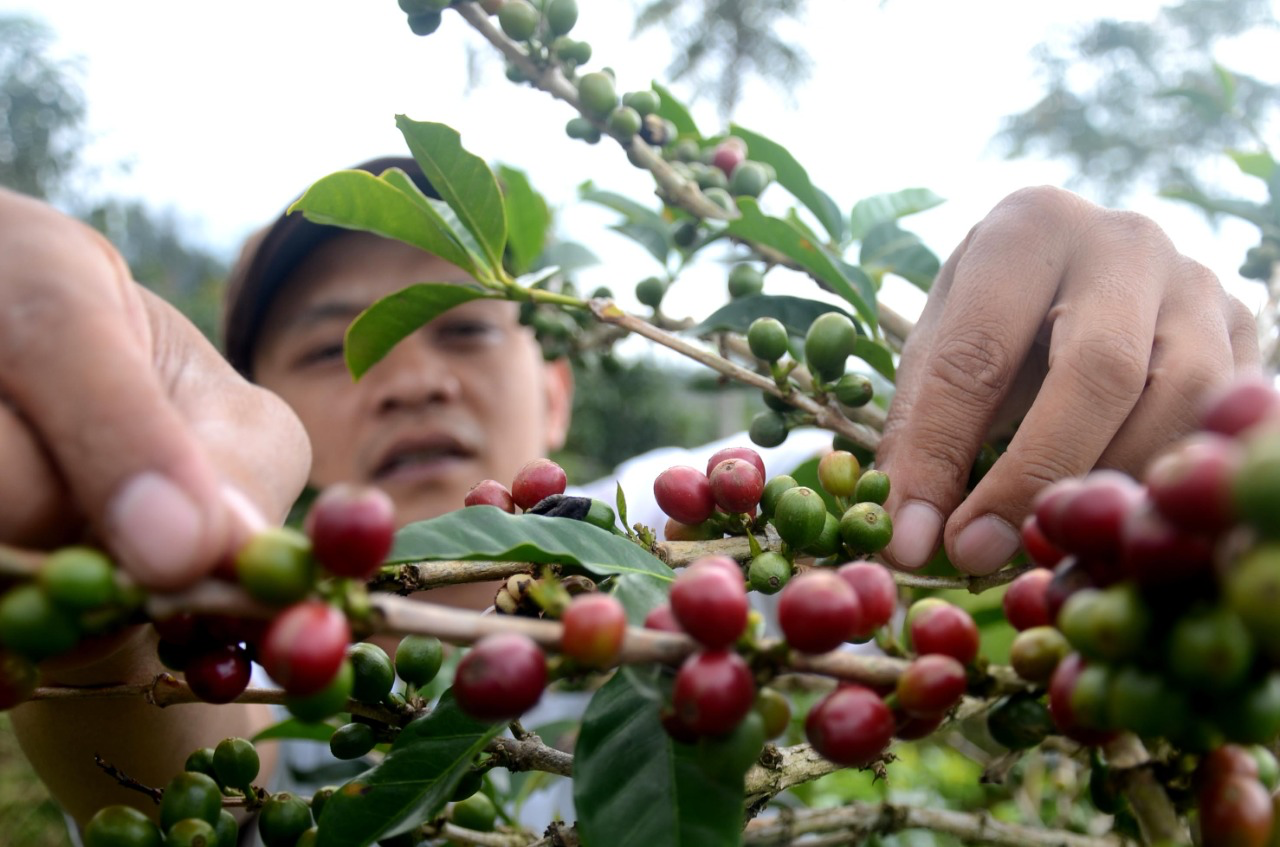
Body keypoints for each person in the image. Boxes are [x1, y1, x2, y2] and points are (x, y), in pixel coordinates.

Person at [1, 158, 1258, 838]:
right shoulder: (254, 640)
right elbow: (169, 771)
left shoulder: (691, 526)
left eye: (470, 331)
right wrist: (96, 629)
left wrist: (1095, 387)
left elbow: (909, 497)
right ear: (236, 400)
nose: (409, 379)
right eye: (338, 348)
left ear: (556, 395)